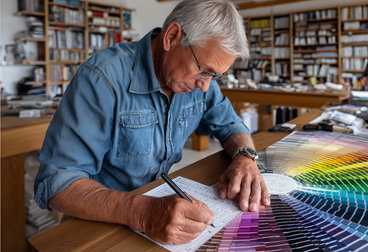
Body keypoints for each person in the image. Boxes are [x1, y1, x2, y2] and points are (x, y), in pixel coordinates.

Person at [34, 0, 270, 245]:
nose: (206, 85)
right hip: (97, 221)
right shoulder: (101, 79)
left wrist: (245, 158)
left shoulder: (199, 81)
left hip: (156, 210)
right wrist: (143, 213)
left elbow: (231, 124)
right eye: (204, 70)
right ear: (172, 37)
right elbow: (56, 182)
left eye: (216, 75)